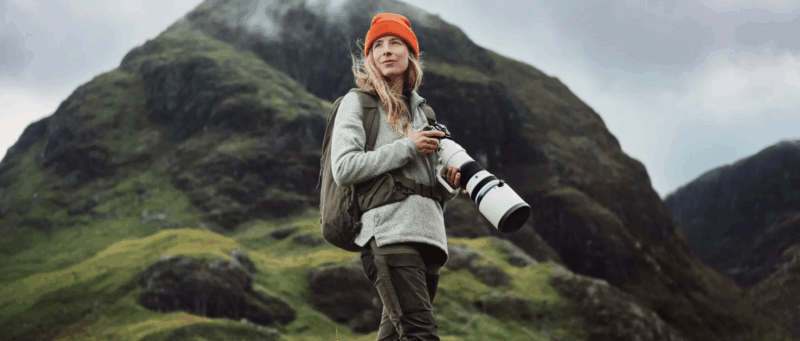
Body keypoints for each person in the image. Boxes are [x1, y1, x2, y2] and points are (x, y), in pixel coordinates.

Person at [329, 12, 469, 341]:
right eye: (377, 45)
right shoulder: (357, 103)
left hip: (430, 236)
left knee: (396, 336)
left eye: (395, 43)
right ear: (370, 58)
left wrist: (449, 183)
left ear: (410, 54)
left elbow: (430, 182)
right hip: (389, 232)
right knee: (421, 334)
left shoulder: (425, 114)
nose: (386, 50)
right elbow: (344, 167)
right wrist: (408, 146)